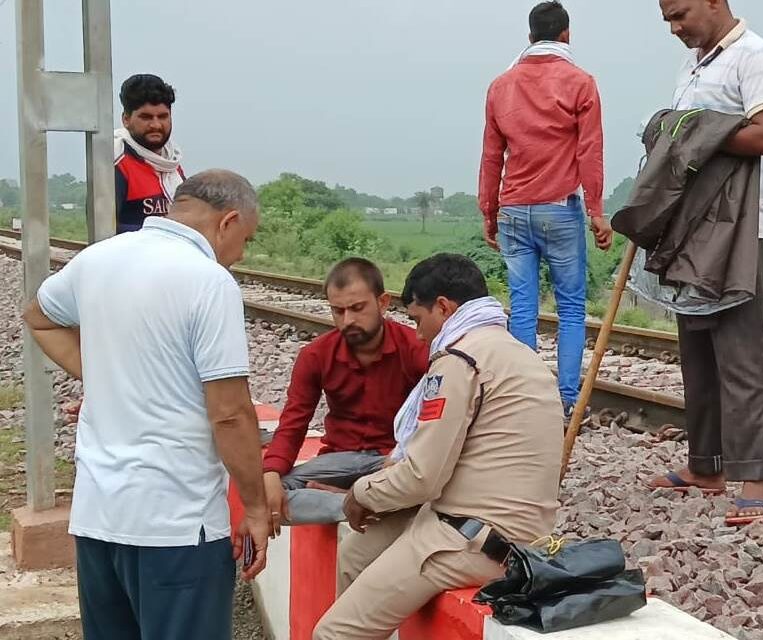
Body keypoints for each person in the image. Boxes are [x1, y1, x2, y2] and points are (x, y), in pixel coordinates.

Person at [22, 170, 270, 640]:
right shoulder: (208, 281)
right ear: (228, 221)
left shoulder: (98, 259)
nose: (241, 254)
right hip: (176, 522)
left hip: (98, 516)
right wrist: (255, 509)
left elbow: (39, 318)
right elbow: (230, 413)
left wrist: (105, 376)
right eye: (246, 239)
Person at [313, 254, 563, 639]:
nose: (418, 334)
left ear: (444, 307)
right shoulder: (516, 352)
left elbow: (421, 478)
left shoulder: (460, 359)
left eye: (418, 319)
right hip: (502, 532)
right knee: (356, 555)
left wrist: (360, 493)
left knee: (334, 633)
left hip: (469, 538)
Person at [645, 0, 763, 527]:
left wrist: (693, 129)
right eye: (667, 21)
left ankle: (754, 477)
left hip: (739, 229)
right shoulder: (695, 63)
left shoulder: (753, 55)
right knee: (697, 351)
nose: (676, 28)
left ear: (714, 1)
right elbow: (685, 141)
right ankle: (706, 466)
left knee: (741, 354)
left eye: (680, 15)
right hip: (692, 226)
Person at [478, 0, 613, 415]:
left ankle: (523, 403)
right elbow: (590, 151)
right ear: (567, 35)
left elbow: (490, 155)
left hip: (515, 211)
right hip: (560, 208)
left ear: (530, 37)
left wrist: (489, 210)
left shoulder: (501, 85)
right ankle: (567, 401)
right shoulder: (581, 82)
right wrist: (596, 210)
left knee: (523, 306)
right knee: (570, 307)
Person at [261, 258, 428, 529]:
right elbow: (293, 424)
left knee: (431, 487)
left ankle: (363, 501)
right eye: (338, 311)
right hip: (339, 460)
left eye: (357, 308)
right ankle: (353, 505)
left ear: (383, 302)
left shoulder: (415, 349)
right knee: (270, 492)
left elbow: (437, 419)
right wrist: (270, 472)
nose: (348, 320)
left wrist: (401, 457)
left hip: (395, 459)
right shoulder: (316, 355)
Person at [115, 74, 185, 233]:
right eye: (146, 117)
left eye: (162, 116)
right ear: (126, 119)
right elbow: (105, 229)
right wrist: (164, 233)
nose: (156, 125)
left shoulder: (172, 163)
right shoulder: (117, 163)